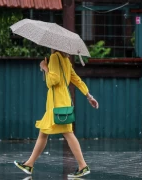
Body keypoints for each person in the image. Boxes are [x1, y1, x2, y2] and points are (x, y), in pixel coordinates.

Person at [14, 49, 99, 178]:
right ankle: (29, 164)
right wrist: (89, 95)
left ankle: (83, 166)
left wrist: (44, 68)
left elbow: (53, 81)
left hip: (57, 103)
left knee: (68, 133)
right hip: (62, 100)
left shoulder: (54, 57)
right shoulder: (66, 60)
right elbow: (76, 79)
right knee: (44, 132)